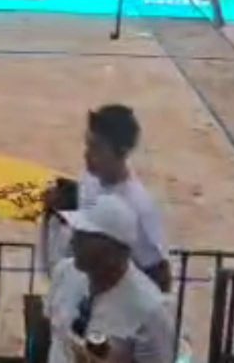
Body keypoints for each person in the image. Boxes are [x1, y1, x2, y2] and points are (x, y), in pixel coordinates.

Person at [41, 105, 171, 292]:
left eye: (97, 147)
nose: (87, 154)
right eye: (87, 145)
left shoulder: (139, 208)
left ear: (122, 152)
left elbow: (157, 275)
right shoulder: (90, 177)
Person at [46, 195, 174, 363]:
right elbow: (51, 334)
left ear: (113, 251)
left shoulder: (150, 310)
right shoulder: (64, 273)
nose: (73, 242)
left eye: (84, 237)